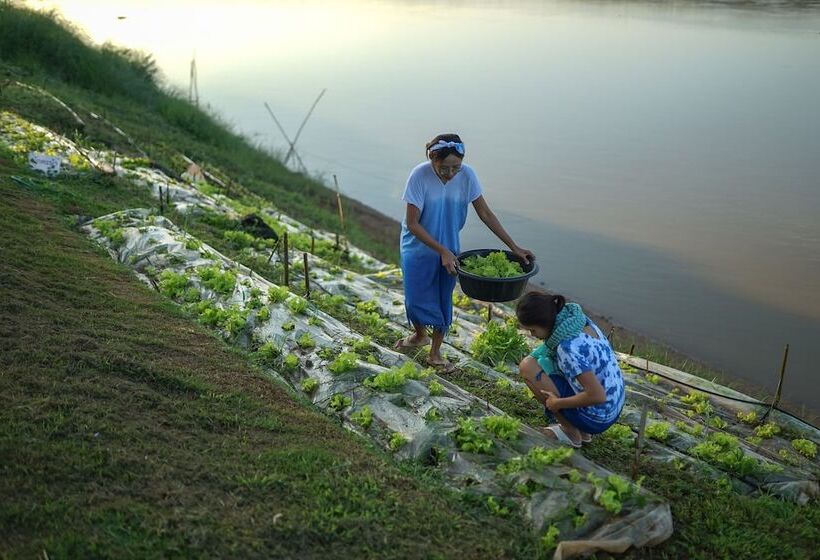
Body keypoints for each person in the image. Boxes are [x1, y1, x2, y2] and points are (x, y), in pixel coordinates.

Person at [396, 133, 533, 372]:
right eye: (444, 168)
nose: (450, 174)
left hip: (450, 246)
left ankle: (435, 353)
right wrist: (441, 251)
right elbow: (413, 224)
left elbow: (486, 214)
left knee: (442, 297)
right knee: (415, 297)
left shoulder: (467, 175)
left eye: (455, 168)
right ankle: (419, 335)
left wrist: (514, 247)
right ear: (432, 158)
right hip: (418, 247)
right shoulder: (419, 175)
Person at [516, 291, 625, 447]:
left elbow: (597, 395)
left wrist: (558, 403)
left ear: (545, 323)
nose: (532, 335)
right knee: (536, 361)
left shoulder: (567, 348)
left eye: (532, 330)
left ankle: (571, 432)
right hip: (614, 405)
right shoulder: (579, 321)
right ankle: (583, 432)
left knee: (527, 367)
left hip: (598, 416)